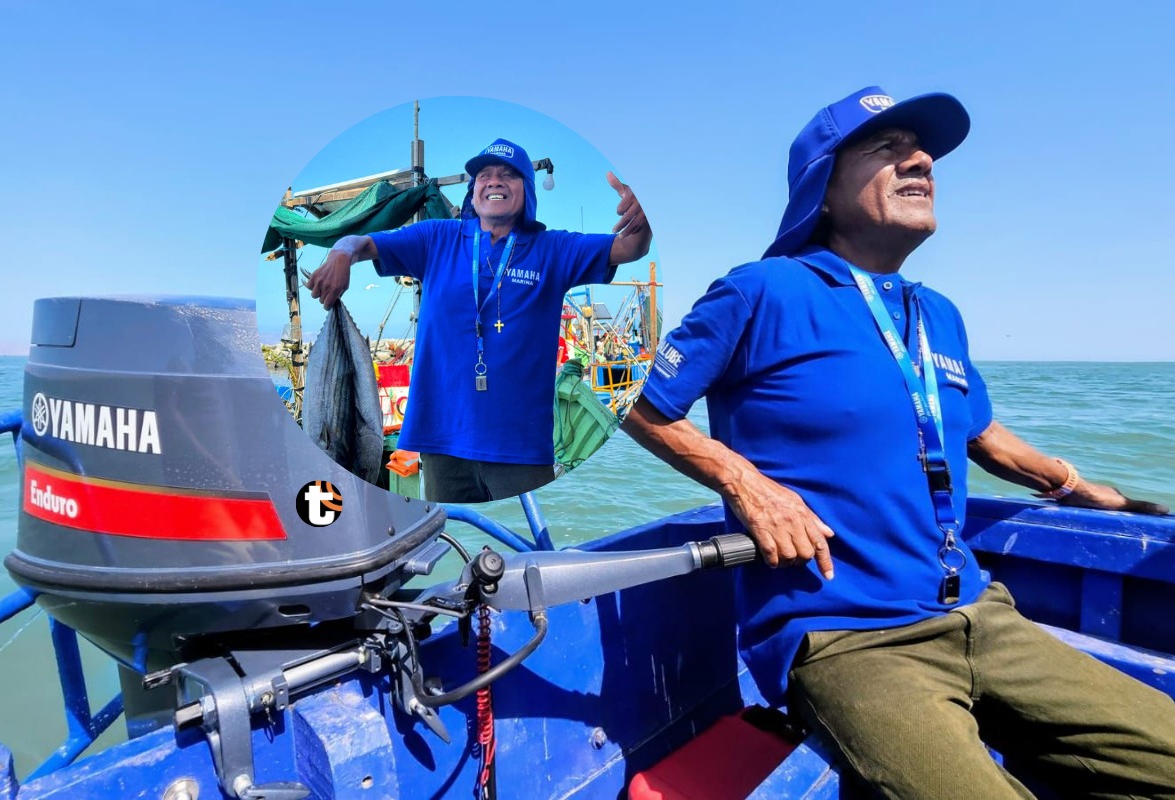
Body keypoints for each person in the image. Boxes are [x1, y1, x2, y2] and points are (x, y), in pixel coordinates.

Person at [622, 86, 1175, 798]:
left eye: (924, 152)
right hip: (847, 637)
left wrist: (1075, 485)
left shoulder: (936, 313)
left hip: (982, 613)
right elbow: (630, 398)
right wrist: (745, 484)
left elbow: (981, 432)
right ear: (821, 189)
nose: (920, 161)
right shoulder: (764, 290)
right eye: (888, 148)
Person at [307, 138, 651, 502]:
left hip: (520, 450)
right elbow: (361, 243)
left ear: (527, 191)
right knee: (454, 545)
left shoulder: (554, 248)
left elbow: (631, 247)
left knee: (522, 552)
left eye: (508, 175)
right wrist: (341, 254)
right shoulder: (436, 238)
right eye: (484, 175)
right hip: (441, 443)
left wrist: (645, 214)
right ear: (473, 192)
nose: (495, 181)